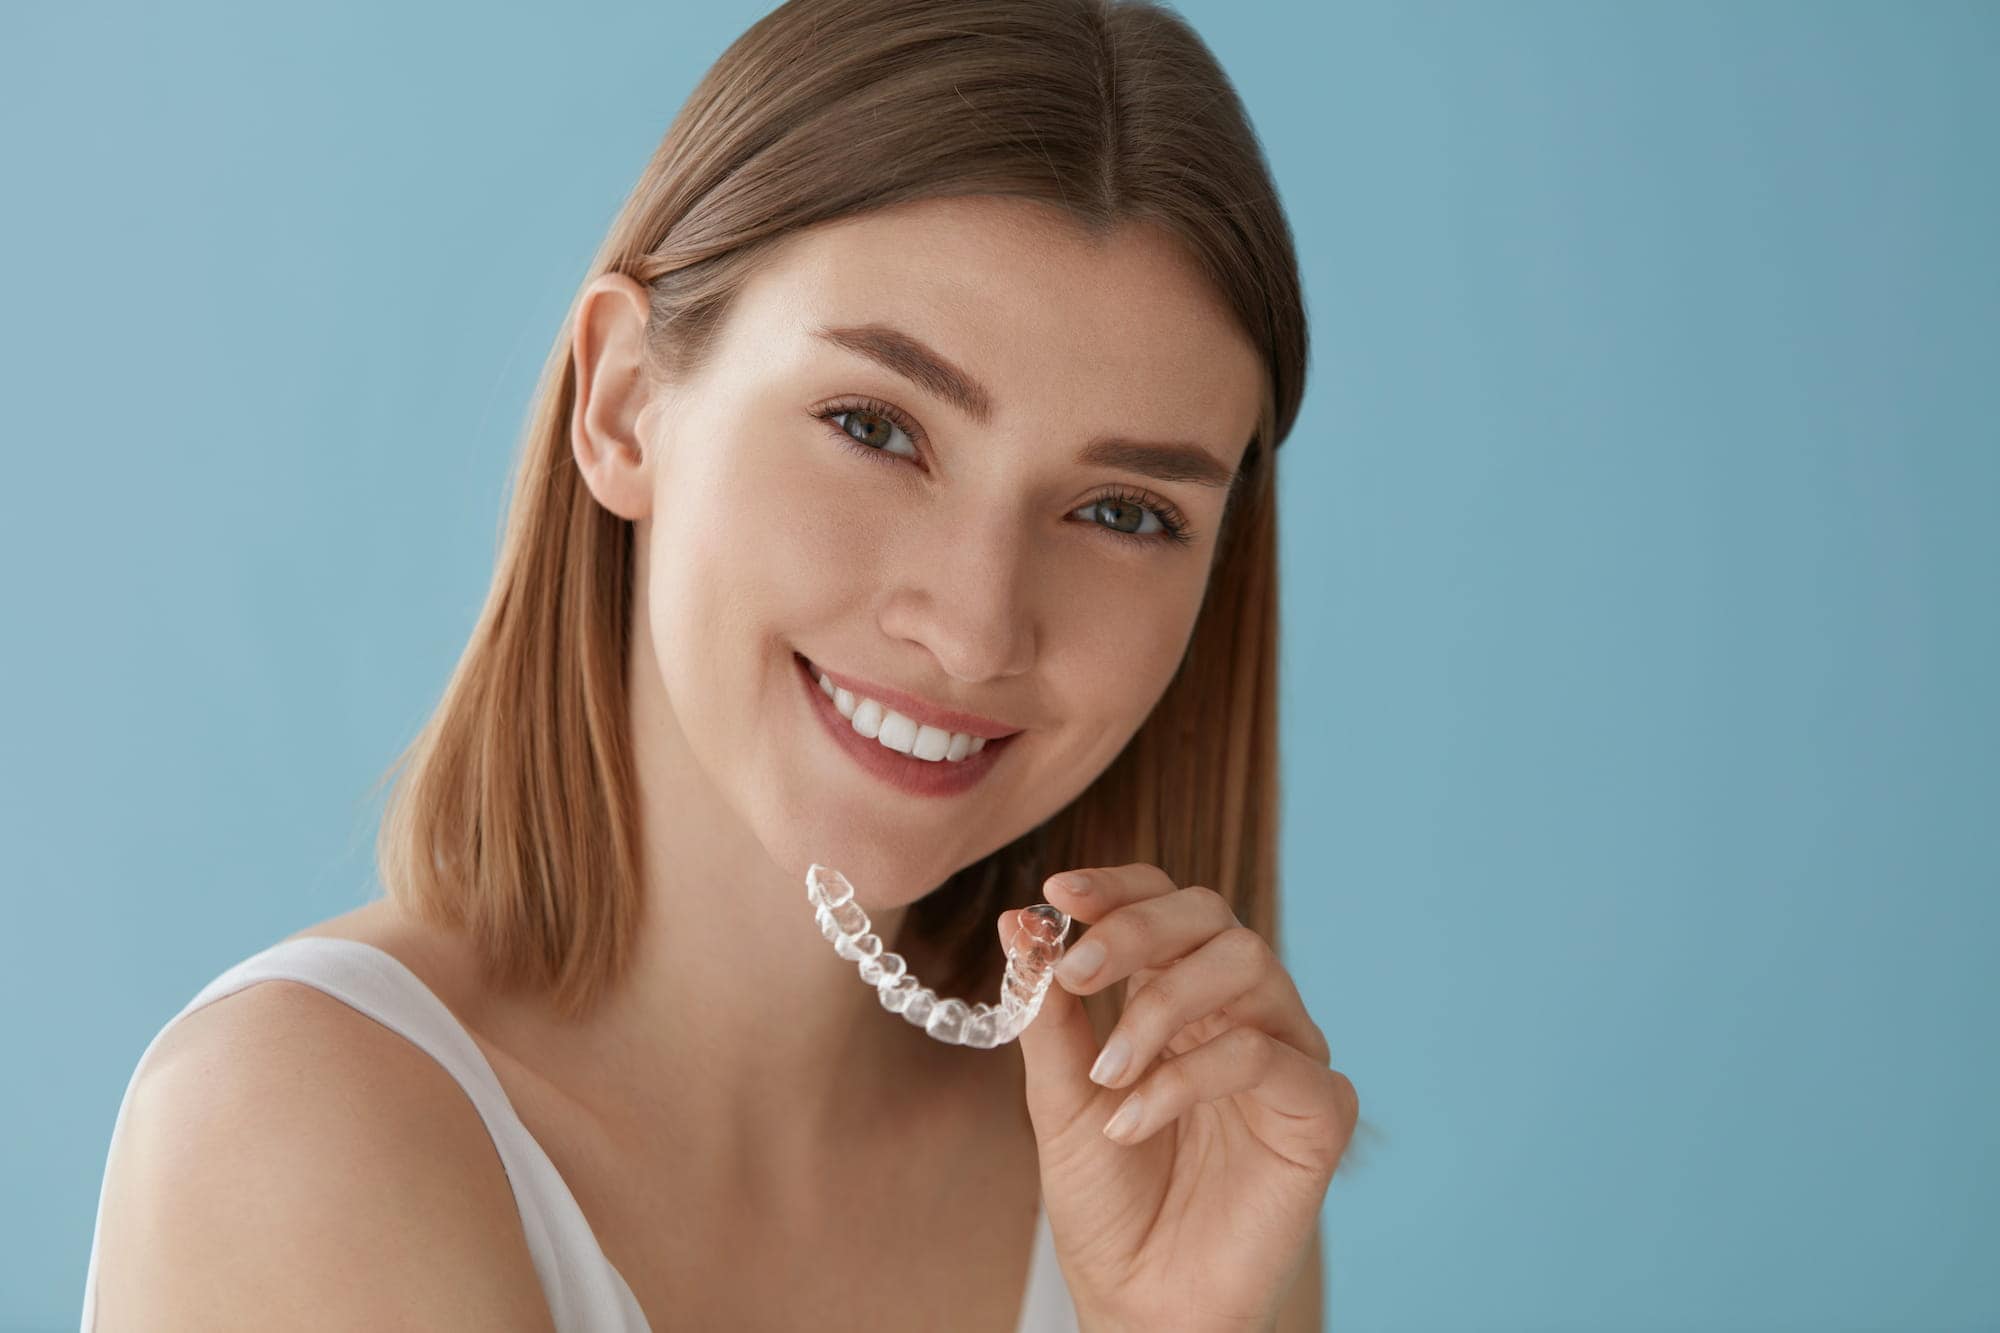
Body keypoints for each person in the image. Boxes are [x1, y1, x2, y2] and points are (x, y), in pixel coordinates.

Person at [78, 0, 1358, 1327]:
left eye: (1124, 513)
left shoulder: (1168, 1169)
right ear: (625, 402)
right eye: (875, 425)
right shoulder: (293, 1127)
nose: (977, 628)